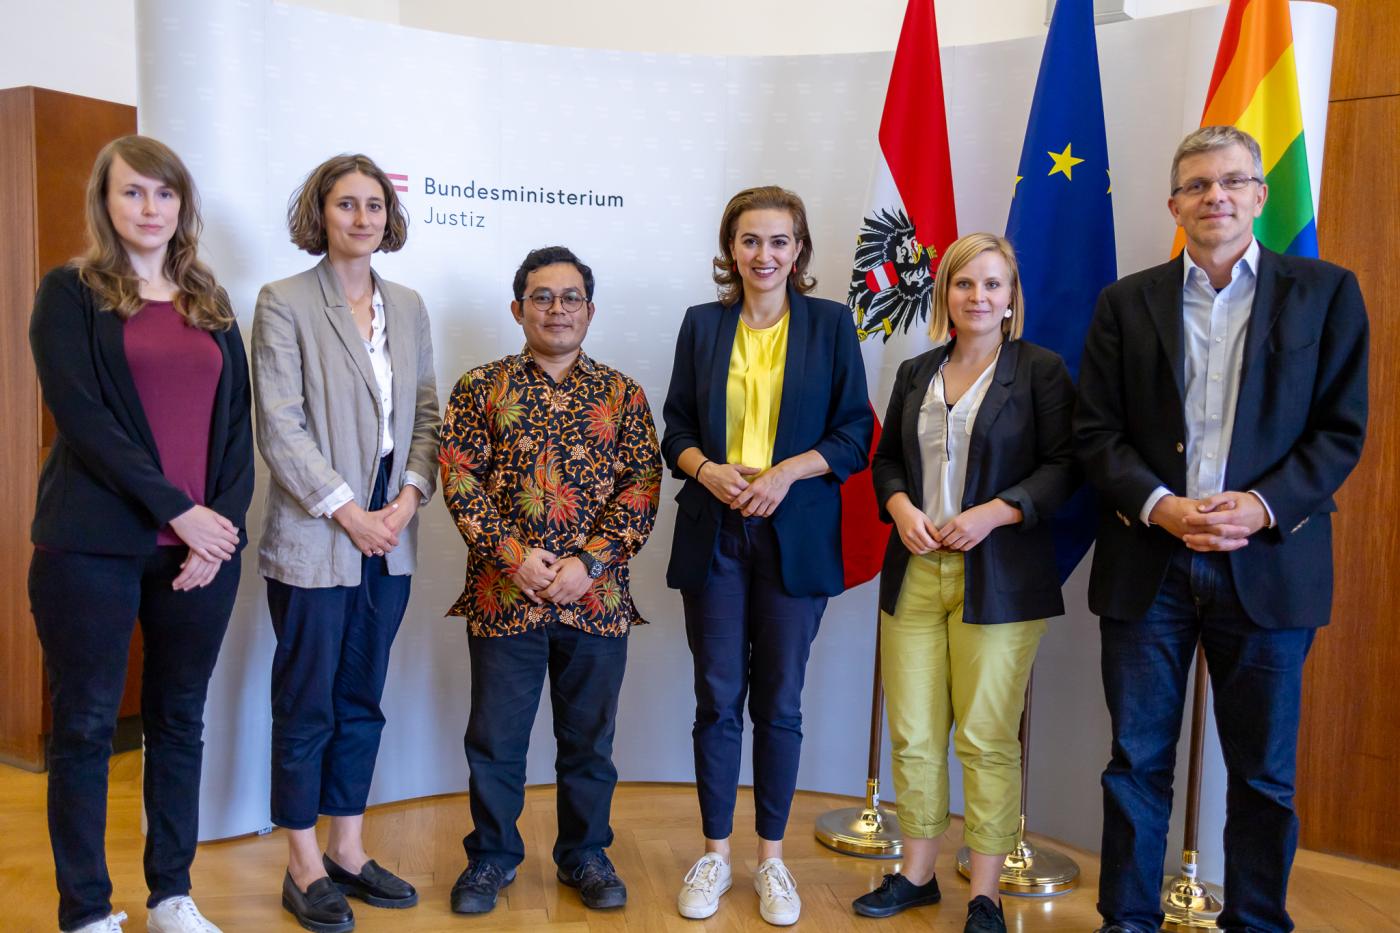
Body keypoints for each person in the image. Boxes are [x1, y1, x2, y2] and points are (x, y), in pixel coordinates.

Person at [1075, 125, 1368, 933]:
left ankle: (1258, 921)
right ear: (1174, 204)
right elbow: (1094, 430)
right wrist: (1161, 503)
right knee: (1136, 765)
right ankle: (1126, 920)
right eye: (1199, 186)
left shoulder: (1328, 292)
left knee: (1264, 775)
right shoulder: (1124, 302)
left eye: (1233, 182)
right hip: (1150, 560)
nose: (1217, 197)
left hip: (1270, 563)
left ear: (1260, 196)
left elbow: (1341, 430)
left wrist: (1264, 504)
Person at [28, 135, 253, 933]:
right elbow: (85, 421)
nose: (150, 209)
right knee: (86, 725)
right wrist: (178, 511)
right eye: (133, 194)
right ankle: (86, 910)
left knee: (179, 722)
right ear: (106, 202)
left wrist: (216, 530)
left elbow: (236, 430)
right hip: (89, 546)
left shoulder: (210, 300)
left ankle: (171, 897)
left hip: (200, 555)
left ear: (183, 204)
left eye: (164, 194)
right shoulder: (70, 293)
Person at [848, 232, 1077, 932]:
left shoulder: (1040, 371)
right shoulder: (917, 370)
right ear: (945, 293)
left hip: (1001, 577)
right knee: (913, 733)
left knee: (984, 737)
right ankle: (916, 875)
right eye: (964, 283)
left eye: (993, 284)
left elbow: (1066, 466)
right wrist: (899, 506)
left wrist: (996, 512)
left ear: (1012, 299)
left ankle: (983, 891)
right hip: (915, 570)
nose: (978, 296)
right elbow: (886, 459)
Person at [661, 185, 873, 926]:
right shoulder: (701, 325)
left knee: (779, 702)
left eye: (779, 241)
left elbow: (854, 433)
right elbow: (675, 427)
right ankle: (716, 853)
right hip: (714, 529)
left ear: (800, 249)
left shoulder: (829, 325)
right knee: (718, 698)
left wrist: (785, 473)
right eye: (750, 240)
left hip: (795, 531)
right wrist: (707, 469)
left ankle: (771, 861)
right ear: (731, 249)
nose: (764, 254)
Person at [439, 246, 662, 916]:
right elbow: (459, 476)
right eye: (542, 296)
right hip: (503, 595)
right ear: (518, 308)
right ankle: (491, 857)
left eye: (570, 297)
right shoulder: (481, 387)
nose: (556, 309)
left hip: (596, 599)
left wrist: (588, 562)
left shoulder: (623, 394)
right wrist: (512, 555)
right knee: (496, 741)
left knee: (589, 742)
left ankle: (585, 853)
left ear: (590, 310)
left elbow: (643, 486)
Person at [251, 153, 440, 933]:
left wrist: (404, 499)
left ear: (388, 219)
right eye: (345, 204)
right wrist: (347, 511)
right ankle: (301, 864)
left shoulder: (410, 304)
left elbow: (427, 414)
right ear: (319, 214)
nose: (362, 217)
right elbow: (280, 426)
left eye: (374, 205)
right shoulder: (284, 301)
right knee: (307, 705)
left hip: (391, 537)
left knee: (361, 699)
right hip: (316, 538)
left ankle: (348, 851)